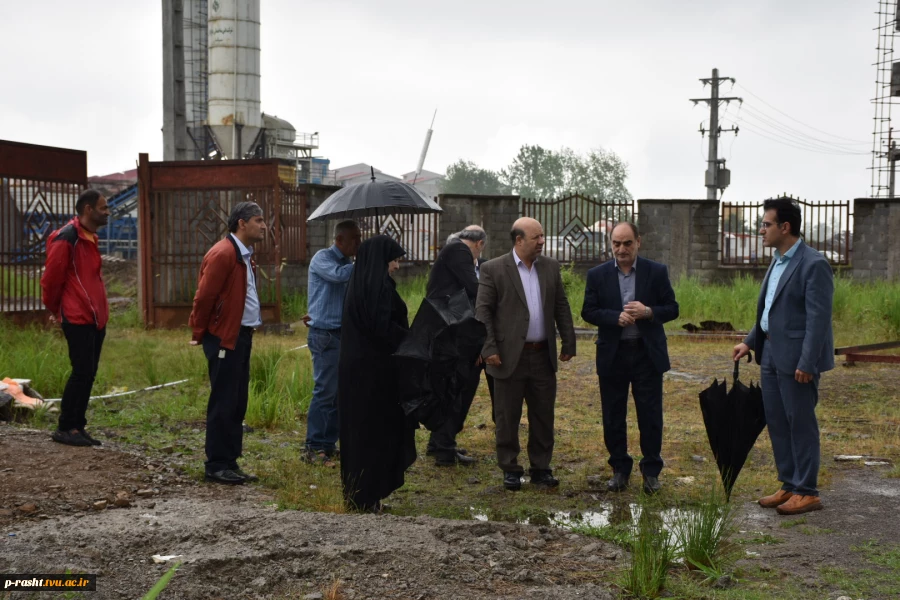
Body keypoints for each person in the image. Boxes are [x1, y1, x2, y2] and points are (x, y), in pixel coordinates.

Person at [733, 197, 834, 515]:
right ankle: (789, 484)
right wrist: (750, 342)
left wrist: (807, 362)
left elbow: (818, 320)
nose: (761, 230)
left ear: (784, 227)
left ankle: (807, 491)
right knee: (777, 421)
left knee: (800, 422)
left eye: (766, 224)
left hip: (797, 359)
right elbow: (770, 312)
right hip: (771, 354)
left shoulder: (813, 264)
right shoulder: (777, 262)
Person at [475, 217, 577, 491]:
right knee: (507, 415)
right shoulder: (494, 269)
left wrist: (569, 342)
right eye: (537, 238)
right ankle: (510, 468)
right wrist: (489, 348)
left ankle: (541, 468)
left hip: (543, 355)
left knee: (543, 414)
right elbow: (482, 312)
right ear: (519, 240)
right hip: (507, 357)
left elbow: (561, 305)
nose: (542, 242)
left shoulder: (551, 268)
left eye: (542, 236)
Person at [581, 222, 679, 495]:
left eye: (626, 243)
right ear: (610, 244)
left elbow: (672, 308)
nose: (621, 249)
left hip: (647, 354)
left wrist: (648, 311)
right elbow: (588, 311)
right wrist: (614, 317)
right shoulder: (597, 274)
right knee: (613, 414)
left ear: (638, 242)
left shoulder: (656, 272)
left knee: (650, 415)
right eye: (616, 243)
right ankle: (620, 469)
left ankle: (651, 472)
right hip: (613, 354)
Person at [189, 202, 266, 485]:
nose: (264, 225)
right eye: (258, 220)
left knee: (237, 401)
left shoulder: (245, 255)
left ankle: (231, 461)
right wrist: (200, 332)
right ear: (241, 224)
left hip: (241, 335)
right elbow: (204, 297)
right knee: (223, 401)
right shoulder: (223, 253)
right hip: (224, 337)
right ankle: (217, 464)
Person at [338, 235, 415, 512]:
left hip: (357, 373)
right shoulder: (378, 288)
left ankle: (361, 495)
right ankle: (367, 497)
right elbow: (383, 329)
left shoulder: (360, 285)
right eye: (393, 260)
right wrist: (412, 339)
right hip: (375, 376)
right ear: (381, 261)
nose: (396, 266)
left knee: (359, 434)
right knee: (373, 434)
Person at [41, 189, 111, 447]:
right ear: (88, 209)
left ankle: (77, 426)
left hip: (95, 318)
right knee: (81, 372)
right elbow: (51, 281)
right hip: (78, 317)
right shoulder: (67, 238)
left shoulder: (90, 237)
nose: (107, 212)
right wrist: (57, 311)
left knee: (89, 373)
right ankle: (66, 427)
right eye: (103, 208)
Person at [425, 225, 487, 466]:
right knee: (458, 389)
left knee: (451, 389)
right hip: (455, 338)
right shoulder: (459, 250)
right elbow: (475, 290)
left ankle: (440, 442)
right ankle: (444, 448)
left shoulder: (452, 253)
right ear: (479, 243)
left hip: (449, 334)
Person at [301, 220, 361, 465]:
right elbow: (337, 278)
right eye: (354, 239)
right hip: (325, 335)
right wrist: (366, 262)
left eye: (360, 237)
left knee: (339, 393)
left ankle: (328, 443)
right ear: (339, 240)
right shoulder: (323, 258)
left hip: (342, 334)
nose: (359, 243)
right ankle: (313, 447)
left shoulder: (349, 263)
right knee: (325, 391)